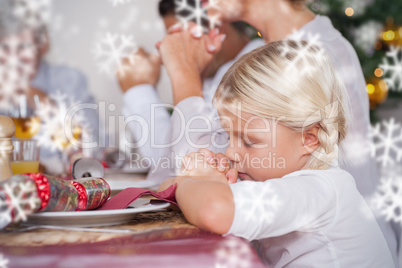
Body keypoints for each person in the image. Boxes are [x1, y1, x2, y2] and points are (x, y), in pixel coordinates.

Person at [157, 0, 398, 264]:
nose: (229, 152)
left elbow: (214, 210)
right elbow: (172, 185)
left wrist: (192, 182)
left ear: (310, 138)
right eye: (228, 136)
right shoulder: (274, 176)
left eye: (250, 140)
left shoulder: (320, 189)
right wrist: (195, 180)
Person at [117, 0, 264, 178]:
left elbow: (184, 166)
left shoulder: (260, 68)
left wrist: (142, 88)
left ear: (215, 27)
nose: (171, 50)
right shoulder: (214, 76)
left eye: (180, 38)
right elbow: (169, 162)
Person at [0, 0, 100, 175]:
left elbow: (94, 150)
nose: (13, 58)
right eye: (5, 47)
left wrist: (44, 103)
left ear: (43, 44)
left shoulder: (68, 80)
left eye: (23, 47)